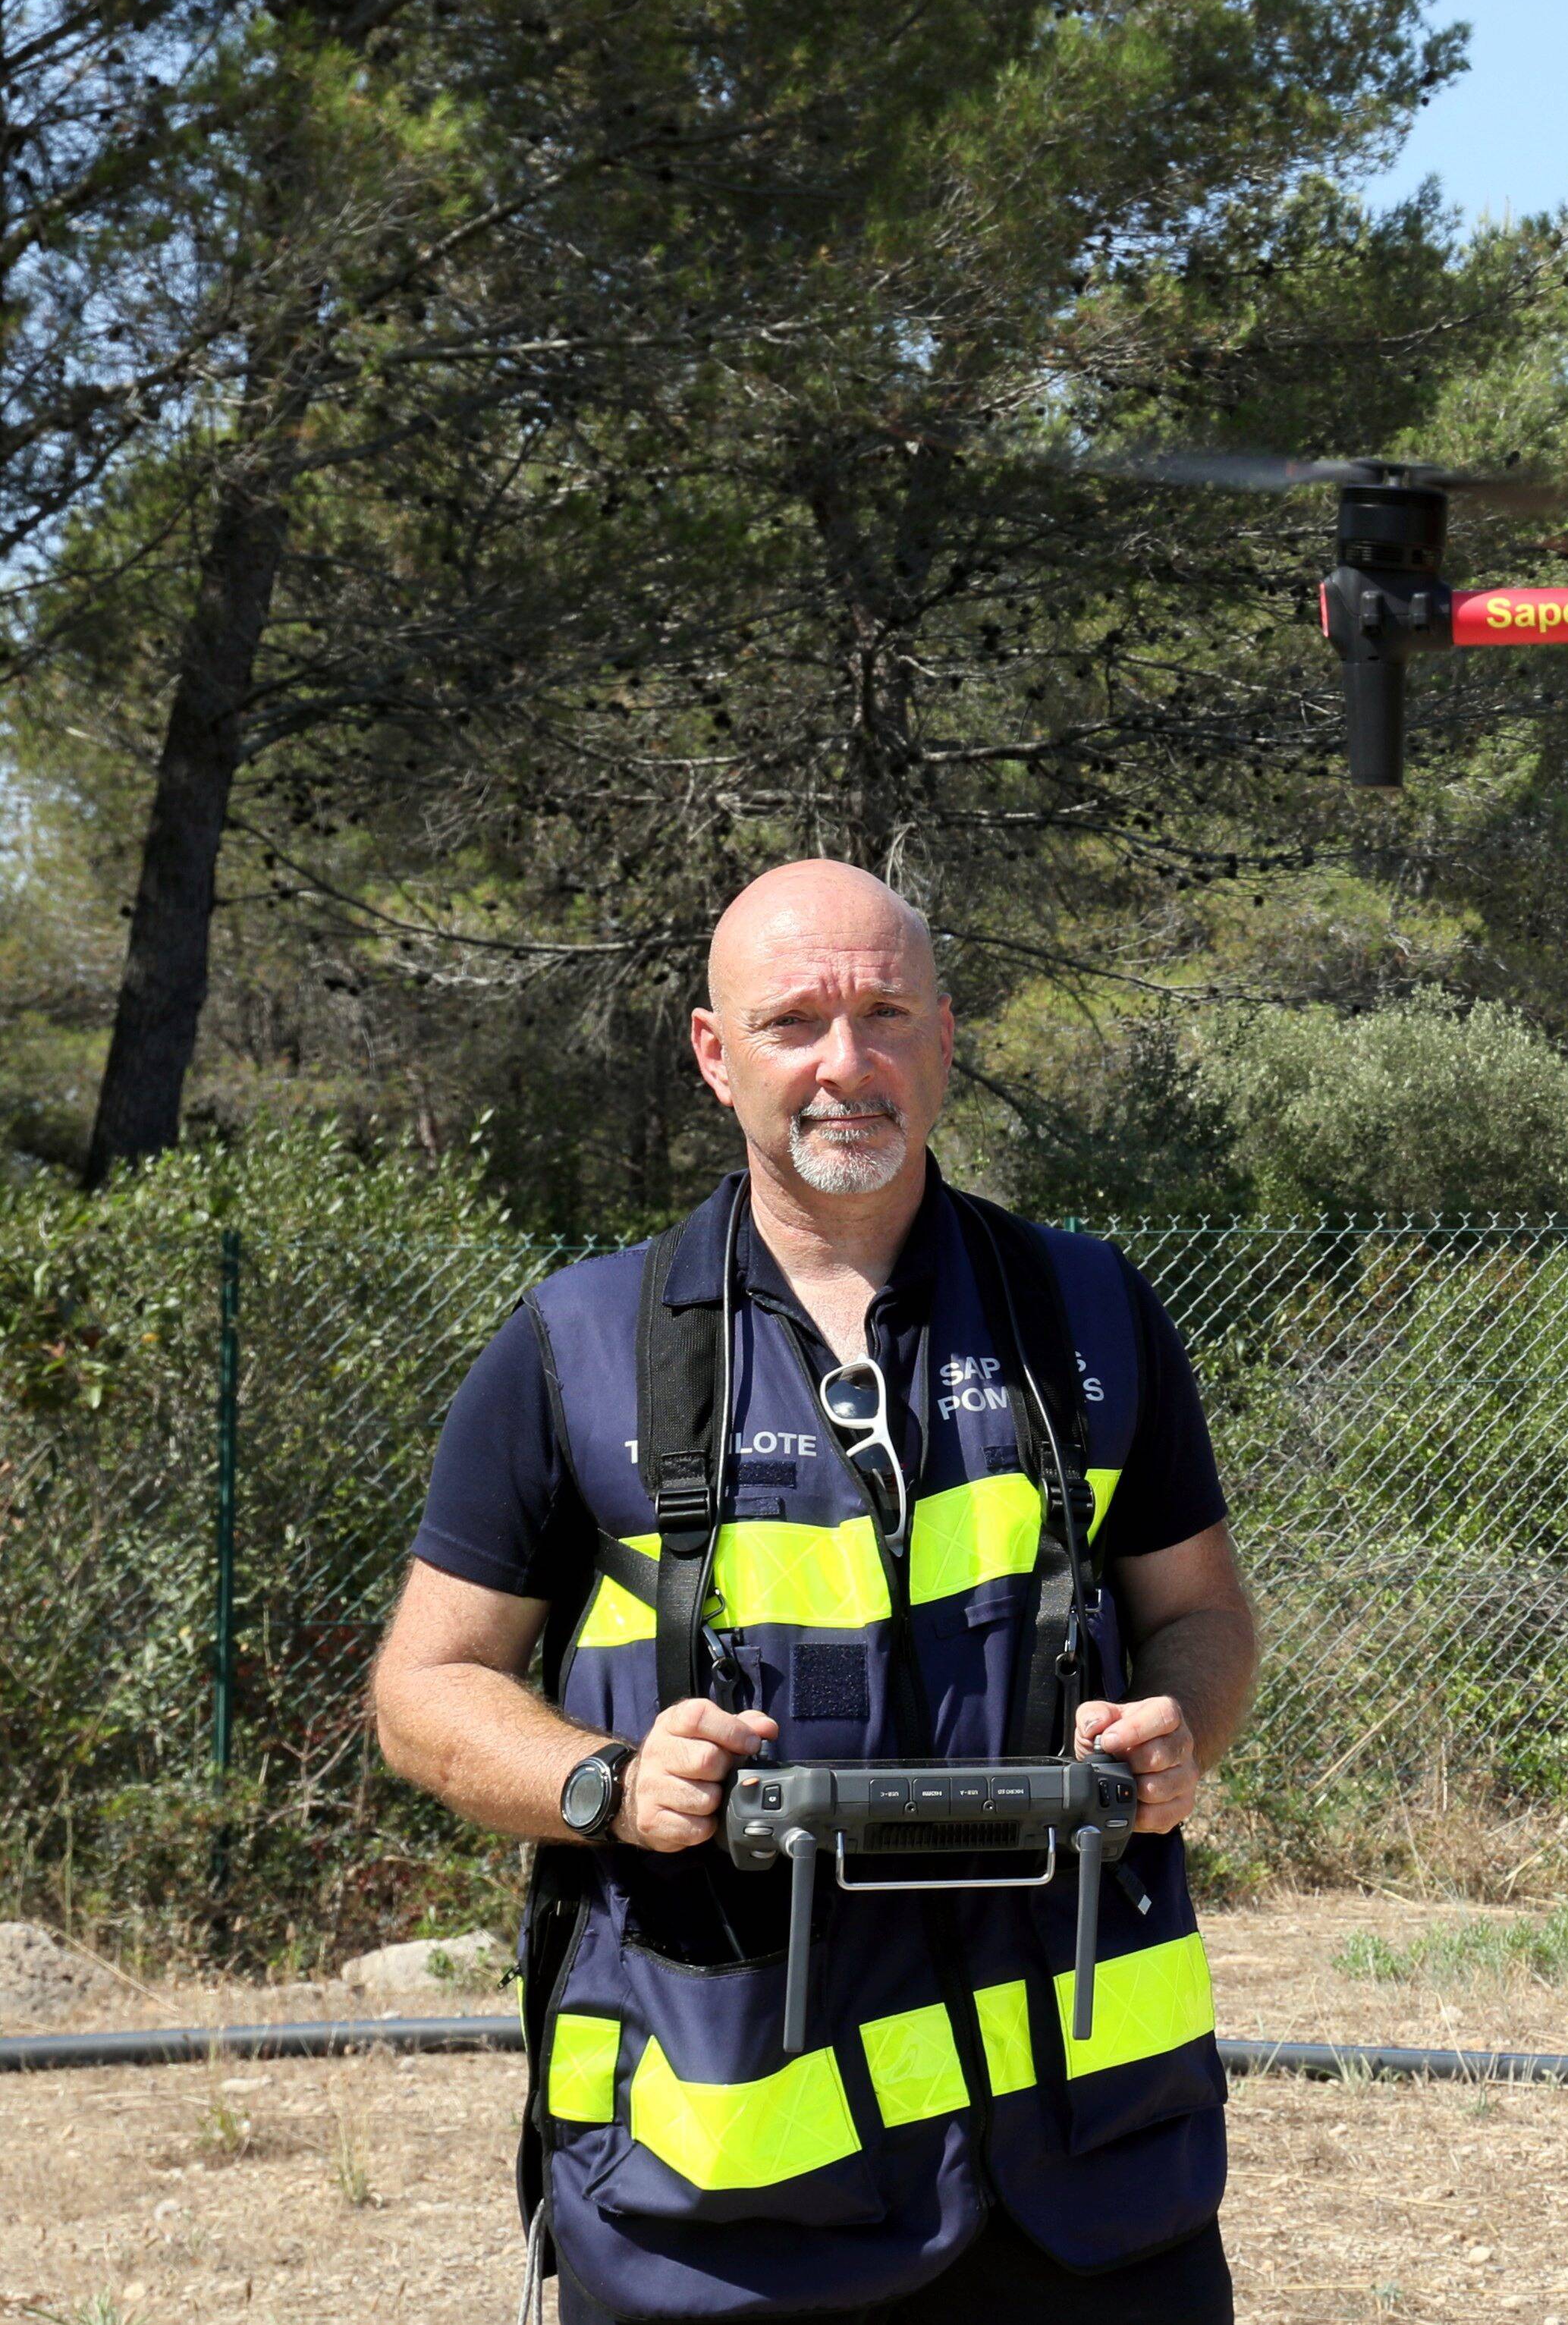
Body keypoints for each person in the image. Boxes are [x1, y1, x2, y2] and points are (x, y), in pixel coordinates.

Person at [372, 859, 1259, 2323]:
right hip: (718, 2214)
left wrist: (1184, 1738)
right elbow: (425, 1687)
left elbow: (1203, 1614)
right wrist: (605, 1783)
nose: (846, 1063)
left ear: (946, 1037)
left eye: (885, 1013)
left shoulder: (1089, 1310)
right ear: (718, 1058)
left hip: (1091, 2191)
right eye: (795, 1022)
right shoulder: (580, 1346)